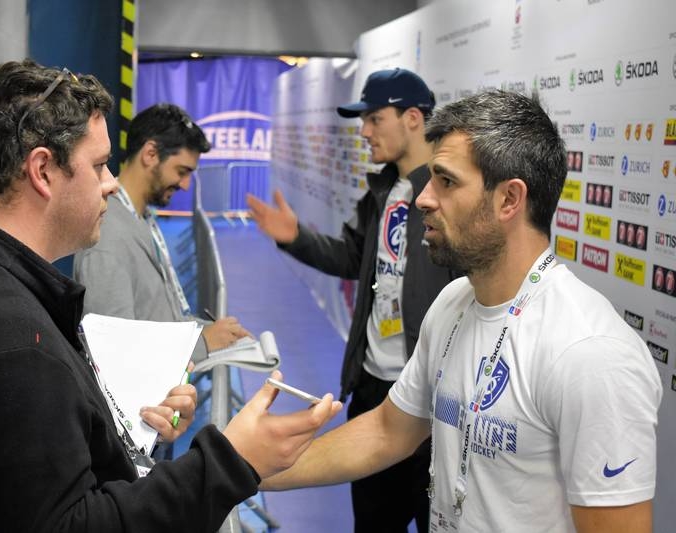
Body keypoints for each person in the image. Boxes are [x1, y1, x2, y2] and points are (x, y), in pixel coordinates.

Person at [0, 60, 342, 532]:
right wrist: (231, 462)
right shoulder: (8, 339)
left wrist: (120, 428)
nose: (111, 183)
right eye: (100, 165)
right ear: (43, 170)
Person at [261, 90, 662, 533]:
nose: (424, 199)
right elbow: (387, 433)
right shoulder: (453, 302)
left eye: (446, 182)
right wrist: (243, 472)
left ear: (509, 200)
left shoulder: (590, 354)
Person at [247, 68, 458, 532]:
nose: (364, 131)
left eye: (374, 119)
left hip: (429, 397)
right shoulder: (381, 191)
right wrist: (296, 237)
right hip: (372, 389)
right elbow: (353, 257)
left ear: (414, 120)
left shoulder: (450, 197)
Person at [74, 103, 250, 362]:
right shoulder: (106, 236)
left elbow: (153, 316)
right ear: (151, 154)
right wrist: (202, 342)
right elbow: (113, 350)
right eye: (182, 172)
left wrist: (209, 330)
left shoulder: (141, 218)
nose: (186, 185)